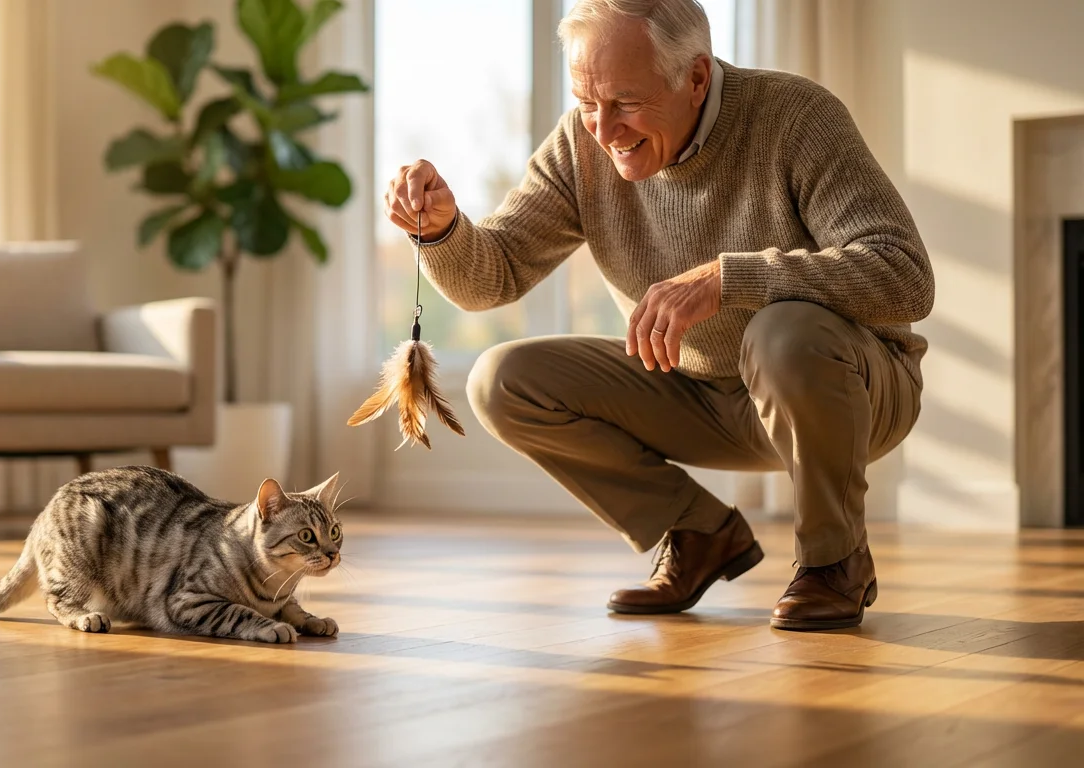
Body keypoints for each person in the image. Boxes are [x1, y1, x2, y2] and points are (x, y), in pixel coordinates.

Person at [382, 0, 932, 631]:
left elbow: (905, 277)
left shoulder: (795, 116)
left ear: (696, 77)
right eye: (587, 101)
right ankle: (696, 532)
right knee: (501, 379)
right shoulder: (580, 146)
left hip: (847, 388)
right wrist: (445, 230)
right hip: (697, 392)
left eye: (625, 101)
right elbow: (495, 274)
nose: (603, 128)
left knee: (781, 331)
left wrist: (730, 278)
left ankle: (835, 562)